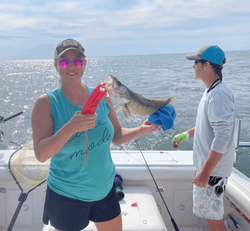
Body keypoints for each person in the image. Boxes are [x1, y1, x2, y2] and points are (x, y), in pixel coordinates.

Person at [31, 38, 161, 231]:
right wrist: (70, 127)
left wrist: (142, 129)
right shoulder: (46, 103)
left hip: (105, 189)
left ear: (84, 64)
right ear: (56, 65)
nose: (71, 66)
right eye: (64, 61)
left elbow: (117, 135)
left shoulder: (101, 96)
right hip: (67, 195)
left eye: (77, 60)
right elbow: (41, 154)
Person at [172, 45, 236, 231]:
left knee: (213, 218)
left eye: (196, 62)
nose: (193, 66)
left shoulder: (218, 94)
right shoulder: (211, 91)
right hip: (209, 170)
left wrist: (206, 172)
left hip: (212, 172)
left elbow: (223, 136)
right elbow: (205, 126)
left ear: (207, 65)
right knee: (210, 215)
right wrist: (185, 135)